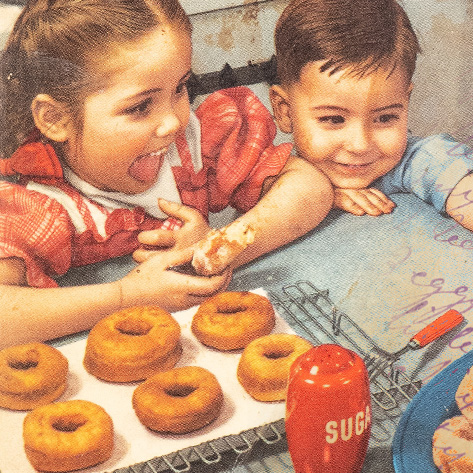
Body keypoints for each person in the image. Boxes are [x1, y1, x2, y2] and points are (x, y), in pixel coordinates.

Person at [0, 0, 333, 347]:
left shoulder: (198, 143)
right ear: (56, 119)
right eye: (139, 106)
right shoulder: (42, 202)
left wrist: (215, 250)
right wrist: (126, 296)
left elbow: (310, 186)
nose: (174, 121)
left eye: (179, 88)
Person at [269, 0, 473, 293]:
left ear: (406, 100)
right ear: (285, 111)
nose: (360, 145)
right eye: (333, 120)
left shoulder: (412, 161)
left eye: (385, 118)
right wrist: (317, 196)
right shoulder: (262, 170)